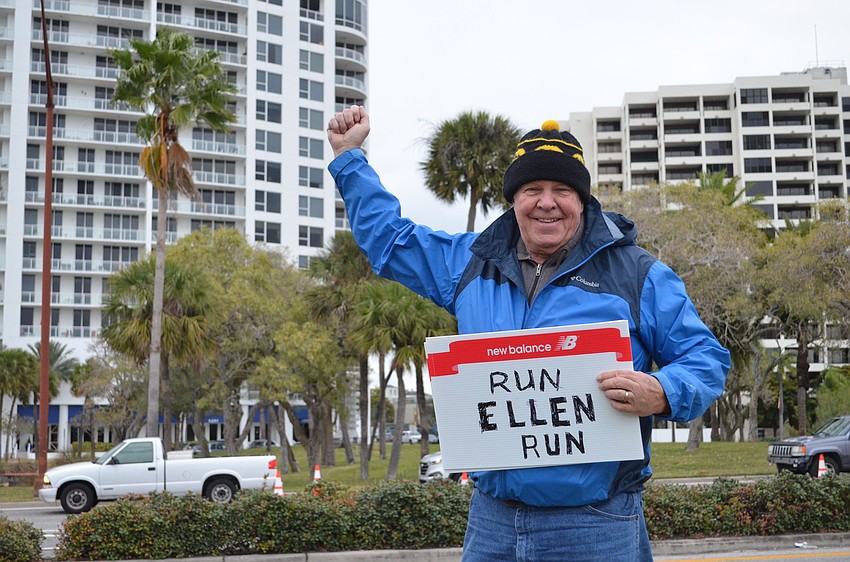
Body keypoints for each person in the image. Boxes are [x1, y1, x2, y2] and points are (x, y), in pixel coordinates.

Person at [327, 105, 730, 561]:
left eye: (562, 189)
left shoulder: (639, 275)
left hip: (597, 525)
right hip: (492, 522)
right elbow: (388, 240)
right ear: (514, 199)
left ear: (582, 200)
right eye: (532, 189)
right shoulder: (468, 263)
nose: (547, 201)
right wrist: (348, 157)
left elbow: (706, 359)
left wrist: (661, 391)